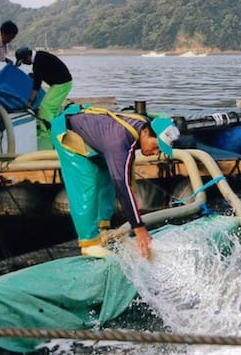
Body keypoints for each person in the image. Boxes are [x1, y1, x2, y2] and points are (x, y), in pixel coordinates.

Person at [51, 105, 180, 258]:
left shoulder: (143, 126)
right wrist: (139, 228)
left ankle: (103, 228)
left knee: (107, 176)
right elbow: (122, 187)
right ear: (145, 133)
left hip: (95, 135)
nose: (156, 152)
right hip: (67, 132)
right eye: (157, 146)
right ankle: (89, 243)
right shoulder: (119, 142)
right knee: (87, 182)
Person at [15, 47, 73, 149]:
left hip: (62, 84)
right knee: (52, 109)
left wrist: (29, 103)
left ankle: (46, 135)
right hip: (60, 83)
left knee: (46, 107)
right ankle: (55, 130)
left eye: (23, 61)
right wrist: (35, 75)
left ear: (28, 57)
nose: (24, 64)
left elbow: (36, 87)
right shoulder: (40, 56)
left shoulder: (38, 63)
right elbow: (44, 70)